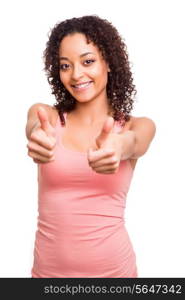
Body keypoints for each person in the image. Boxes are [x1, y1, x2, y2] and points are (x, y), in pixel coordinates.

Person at [26, 15, 156, 278]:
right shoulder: (47, 116)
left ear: (108, 62)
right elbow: (34, 126)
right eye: (65, 65)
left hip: (115, 277)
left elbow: (134, 143)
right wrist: (36, 135)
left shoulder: (136, 126)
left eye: (88, 61)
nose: (76, 75)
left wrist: (119, 147)